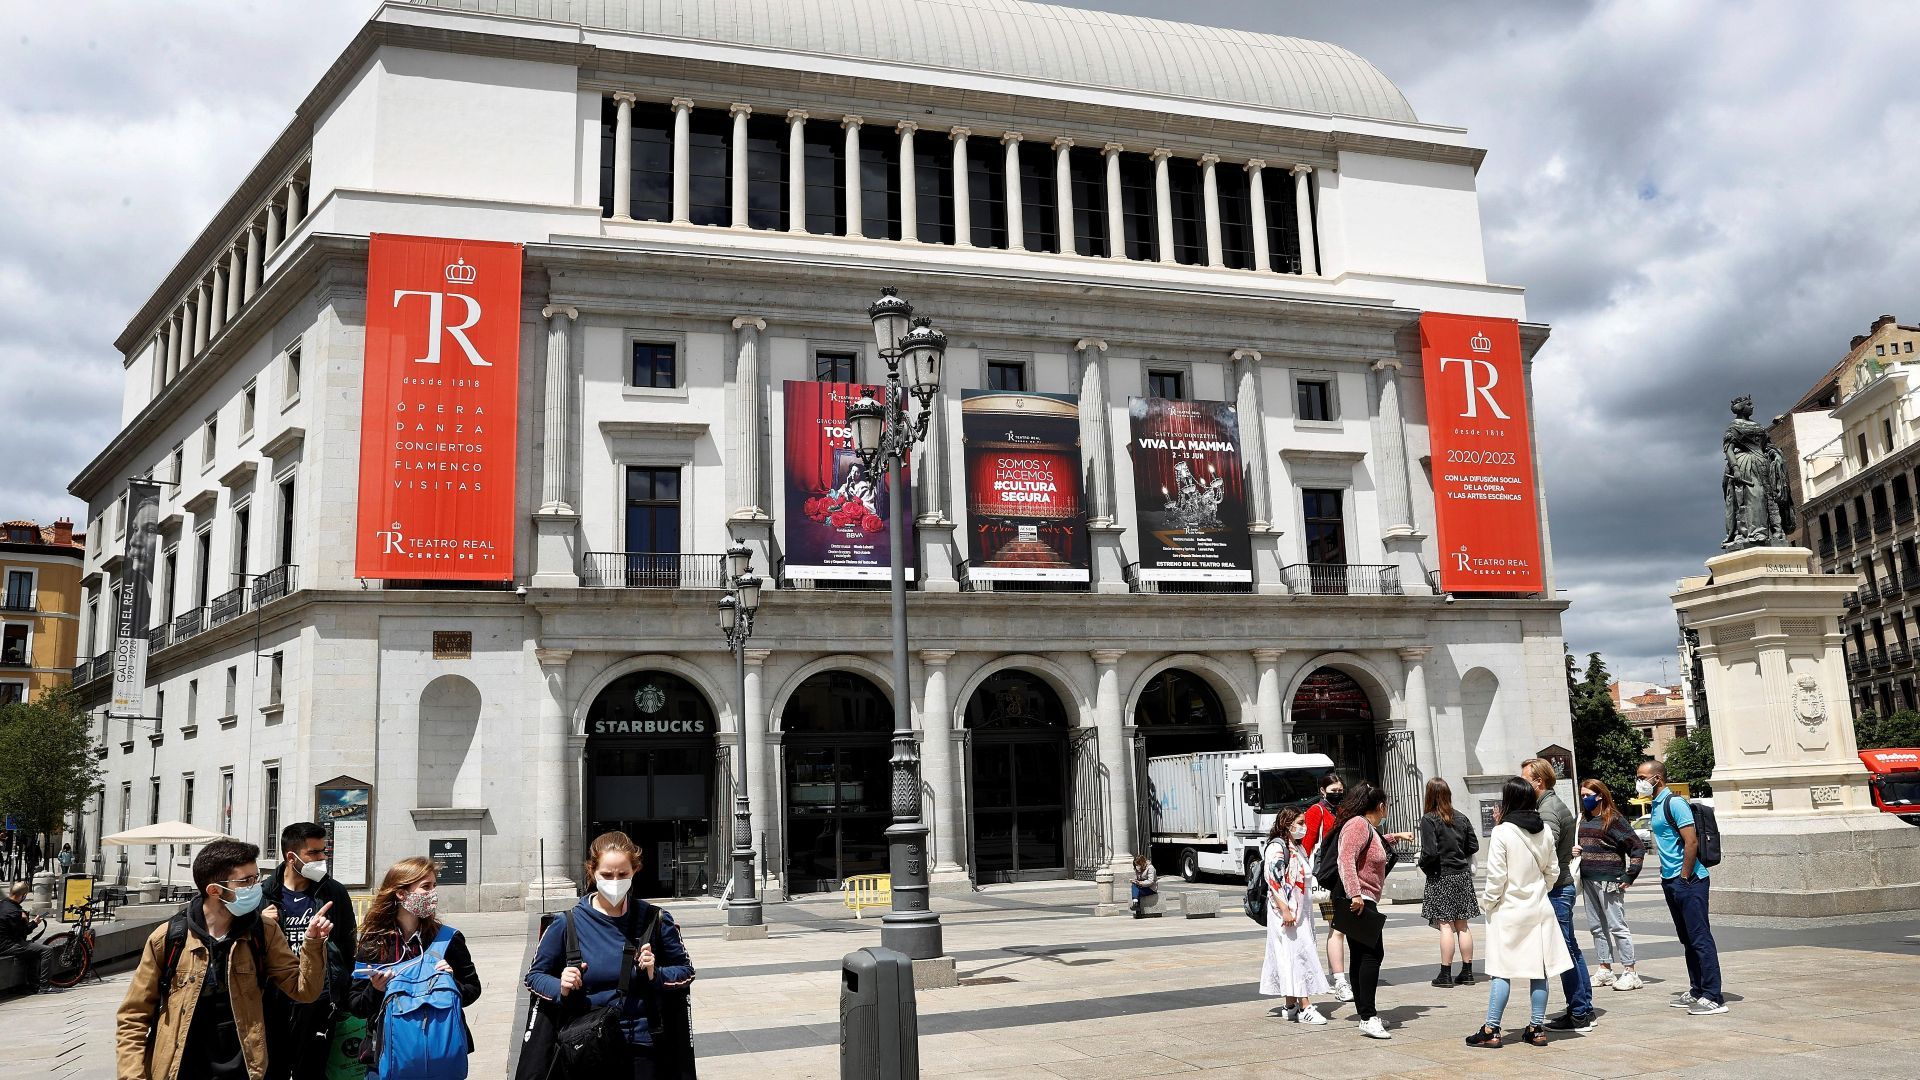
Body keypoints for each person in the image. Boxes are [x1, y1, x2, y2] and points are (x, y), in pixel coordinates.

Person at [115, 838, 333, 1080]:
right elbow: (133, 1017)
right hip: (181, 1069)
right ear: (214, 890)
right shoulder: (169, 938)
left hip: (246, 1069)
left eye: (256, 878)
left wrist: (312, 943)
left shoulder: (263, 931)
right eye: (246, 881)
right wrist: (133, 1076)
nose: (255, 887)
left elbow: (304, 990)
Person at [526, 832, 696, 1079]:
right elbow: (534, 977)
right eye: (606, 875)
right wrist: (560, 986)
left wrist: (655, 974)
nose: (614, 881)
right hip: (585, 1045)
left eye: (622, 874)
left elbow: (686, 971)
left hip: (641, 1045)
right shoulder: (567, 923)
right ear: (592, 871)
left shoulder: (655, 920)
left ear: (634, 871)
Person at [348, 857, 482, 1076]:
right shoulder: (375, 944)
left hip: (442, 1052)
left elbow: (473, 989)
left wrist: (451, 982)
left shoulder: (448, 939)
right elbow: (356, 1005)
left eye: (434, 886)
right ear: (401, 893)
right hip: (389, 1054)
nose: (433, 894)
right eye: (425, 887)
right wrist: (376, 989)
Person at [1466, 776, 1572, 1049]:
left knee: (1502, 970)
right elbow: (1553, 870)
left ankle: (1491, 1028)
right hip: (1538, 908)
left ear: (1508, 800)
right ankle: (1537, 1028)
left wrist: (1488, 903)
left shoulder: (1503, 832)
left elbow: (1497, 878)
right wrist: (1539, 889)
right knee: (1539, 970)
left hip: (1509, 910)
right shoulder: (1545, 830)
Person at [262, 822, 359, 1080]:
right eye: (313, 853)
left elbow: (349, 944)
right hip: (274, 998)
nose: (322, 858)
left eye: (323, 851)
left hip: (319, 997)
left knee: (313, 1070)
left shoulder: (334, 891)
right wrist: (258, 923)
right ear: (291, 857)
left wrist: (342, 987)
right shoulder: (263, 894)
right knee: (273, 1068)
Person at [1639, 760, 1726, 1015]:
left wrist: (1684, 876)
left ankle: (1713, 995)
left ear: (1658, 778)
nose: (1639, 781)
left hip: (1690, 880)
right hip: (1671, 880)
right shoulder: (1655, 805)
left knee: (1700, 938)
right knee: (1687, 938)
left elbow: (1691, 842)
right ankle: (1697, 989)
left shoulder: (1674, 803)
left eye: (1642, 776)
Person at [1522, 757, 1594, 1033]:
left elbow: (1545, 846)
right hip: (1560, 887)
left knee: (1564, 952)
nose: (1522, 785)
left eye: (1526, 780)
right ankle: (1582, 1009)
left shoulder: (1549, 809)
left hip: (1556, 888)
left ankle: (1579, 1013)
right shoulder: (1548, 804)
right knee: (1570, 949)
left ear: (1538, 781)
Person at [1331, 783, 1395, 1040]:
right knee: (1372, 954)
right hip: (1359, 899)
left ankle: (1366, 1013)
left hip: (1363, 897)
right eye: (1386, 805)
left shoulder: (1366, 827)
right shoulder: (1358, 824)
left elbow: (1371, 849)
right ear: (1380, 806)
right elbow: (1346, 858)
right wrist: (1355, 893)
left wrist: (1394, 838)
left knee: (1361, 955)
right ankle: (1368, 1016)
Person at [1259, 808, 1330, 1025]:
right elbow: (1274, 881)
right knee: (1297, 955)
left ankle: (1290, 1004)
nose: (1303, 826)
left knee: (1291, 955)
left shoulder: (1295, 847)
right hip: (1288, 912)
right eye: (1300, 822)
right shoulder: (1277, 848)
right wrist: (1286, 910)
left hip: (1298, 912)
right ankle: (1305, 1006)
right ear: (1288, 823)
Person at [1577, 779, 1646, 992]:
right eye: (1582, 795)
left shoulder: (1613, 819)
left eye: (1587, 795)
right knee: (1596, 926)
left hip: (1610, 880)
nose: (1584, 799)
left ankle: (1630, 971)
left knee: (1617, 926)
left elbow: (1637, 847)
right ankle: (1605, 968)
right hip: (1588, 878)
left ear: (1600, 795)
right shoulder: (1583, 819)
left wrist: (1629, 876)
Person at [1418, 778, 1480, 988]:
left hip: (1440, 875)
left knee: (1445, 924)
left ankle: (1445, 973)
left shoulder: (1429, 819)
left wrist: (1423, 864)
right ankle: (1468, 971)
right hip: (1461, 874)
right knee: (1462, 924)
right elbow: (1473, 845)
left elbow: (1430, 852)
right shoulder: (1461, 817)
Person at [1299, 771, 1351, 1003]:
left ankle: (1335, 975)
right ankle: (1338, 979)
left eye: (1341, 791)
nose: (1338, 795)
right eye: (1334, 792)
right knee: (1337, 926)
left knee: (1337, 927)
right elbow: (1307, 844)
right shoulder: (1316, 811)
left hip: (1343, 875)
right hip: (1326, 876)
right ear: (1322, 791)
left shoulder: (1344, 811)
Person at [1, 879, 55, 993]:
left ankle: (32, 985)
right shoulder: (15, 912)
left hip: (4, 942)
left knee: (33, 952)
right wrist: (34, 923)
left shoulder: (3, 904)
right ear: (23, 895)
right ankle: (44, 986)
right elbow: (23, 932)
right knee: (47, 951)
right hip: (7, 945)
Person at [1129, 855, 1157, 919]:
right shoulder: (1137, 869)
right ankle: (1136, 904)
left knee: (1136, 891)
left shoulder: (1150, 868)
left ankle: (1136, 907)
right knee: (1134, 886)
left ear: (1141, 863)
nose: (1137, 867)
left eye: (1138, 865)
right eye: (1136, 865)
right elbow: (1137, 878)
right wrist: (1135, 880)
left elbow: (1151, 881)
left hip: (1151, 888)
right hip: (1142, 886)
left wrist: (1140, 883)